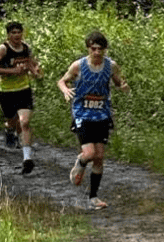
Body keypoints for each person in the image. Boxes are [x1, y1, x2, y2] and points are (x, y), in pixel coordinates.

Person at [57, 31, 129, 210]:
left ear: (105, 49)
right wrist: (66, 90)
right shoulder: (78, 66)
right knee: (89, 154)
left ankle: (93, 197)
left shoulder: (111, 66)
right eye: (93, 49)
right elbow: (62, 81)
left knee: (100, 157)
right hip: (82, 113)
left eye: (100, 49)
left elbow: (119, 82)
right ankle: (81, 162)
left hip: (102, 114)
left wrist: (123, 86)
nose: (96, 52)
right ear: (88, 48)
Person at [0, 21, 42, 174]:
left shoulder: (26, 47)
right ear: (8, 35)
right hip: (6, 91)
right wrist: (12, 71)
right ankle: (8, 129)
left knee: (24, 122)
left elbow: (30, 63)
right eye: (13, 33)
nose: (16, 35)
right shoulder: (3, 49)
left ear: (23, 33)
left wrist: (36, 71)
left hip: (24, 90)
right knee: (13, 121)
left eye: (19, 32)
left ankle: (27, 159)